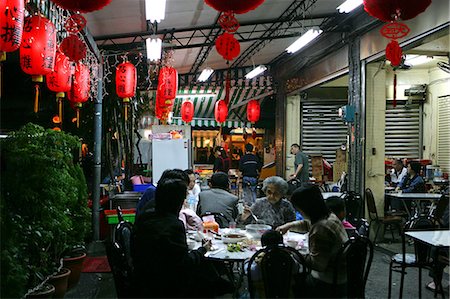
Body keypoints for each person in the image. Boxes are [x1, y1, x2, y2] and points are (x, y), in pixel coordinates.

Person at [132, 178, 232, 298]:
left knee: (207, 270)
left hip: (142, 279)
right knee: (206, 274)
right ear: (177, 201)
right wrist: (202, 250)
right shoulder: (173, 225)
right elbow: (185, 264)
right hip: (166, 285)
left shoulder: (145, 217)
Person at [276, 184, 349, 298]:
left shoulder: (321, 229)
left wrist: (292, 252)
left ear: (306, 208)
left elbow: (318, 265)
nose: (299, 212)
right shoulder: (329, 216)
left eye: (299, 209)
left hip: (327, 282)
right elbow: (307, 223)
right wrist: (288, 226)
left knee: (286, 283)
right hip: (340, 276)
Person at [248, 230, 302, 298]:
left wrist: (247, 262)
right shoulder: (288, 257)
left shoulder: (262, 260)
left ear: (263, 244)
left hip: (265, 293)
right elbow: (296, 269)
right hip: (285, 293)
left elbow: (252, 275)